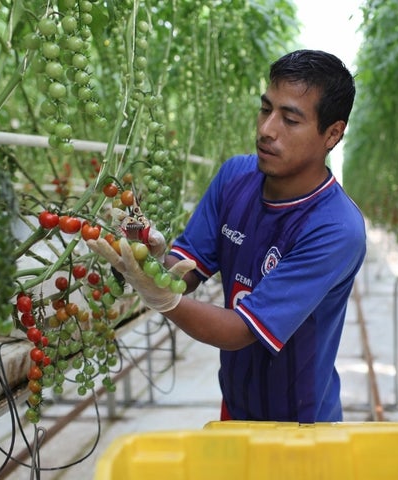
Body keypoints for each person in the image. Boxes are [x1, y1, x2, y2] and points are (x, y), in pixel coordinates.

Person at [87, 49, 366, 423]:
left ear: (332, 133)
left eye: (290, 119)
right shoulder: (235, 177)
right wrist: (147, 260)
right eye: (266, 109)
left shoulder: (334, 227)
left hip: (302, 426)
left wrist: (161, 298)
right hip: (235, 409)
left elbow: (240, 330)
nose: (267, 129)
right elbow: (186, 271)